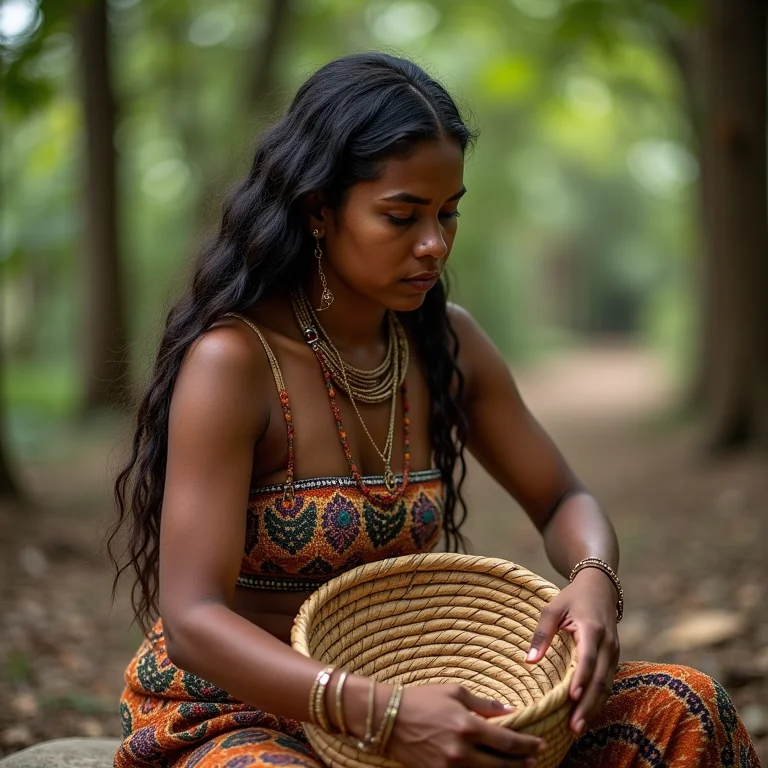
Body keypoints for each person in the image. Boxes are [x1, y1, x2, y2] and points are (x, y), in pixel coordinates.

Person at [109, 52, 760, 768]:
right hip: (244, 710)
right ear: (319, 211)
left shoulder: (448, 343)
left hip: (422, 700)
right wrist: (378, 712)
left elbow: (561, 498)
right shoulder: (234, 364)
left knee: (681, 706)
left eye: (448, 213)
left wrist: (594, 580)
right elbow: (193, 618)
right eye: (402, 216)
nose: (433, 245)